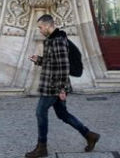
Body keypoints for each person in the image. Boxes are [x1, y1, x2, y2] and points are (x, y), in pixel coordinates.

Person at [25, 14, 100, 157]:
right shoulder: (53, 39)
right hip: (54, 84)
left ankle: (42, 147)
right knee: (63, 114)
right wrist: (39, 60)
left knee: (40, 112)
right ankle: (89, 135)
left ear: (48, 25)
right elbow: (54, 62)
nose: (40, 30)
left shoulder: (58, 41)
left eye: (41, 27)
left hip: (53, 87)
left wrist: (61, 89)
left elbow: (63, 67)